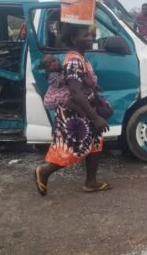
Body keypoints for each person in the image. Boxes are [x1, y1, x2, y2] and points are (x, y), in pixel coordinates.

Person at [34, 23, 111, 196]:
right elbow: (75, 92)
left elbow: (81, 82)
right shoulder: (74, 60)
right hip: (75, 114)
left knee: (94, 145)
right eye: (85, 36)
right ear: (73, 39)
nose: (90, 38)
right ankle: (43, 172)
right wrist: (95, 118)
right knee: (72, 150)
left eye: (90, 35)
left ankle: (91, 183)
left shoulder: (80, 58)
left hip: (85, 111)